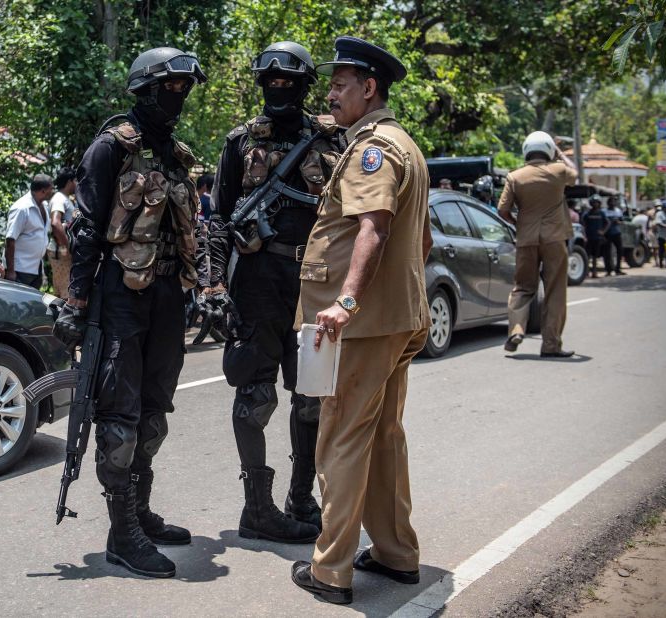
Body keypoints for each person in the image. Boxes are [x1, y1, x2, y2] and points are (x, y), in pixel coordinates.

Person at [51, 47, 206, 579]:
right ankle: (122, 533)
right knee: (119, 417)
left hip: (166, 294)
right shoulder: (108, 148)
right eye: (171, 88)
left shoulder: (174, 153)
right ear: (144, 89)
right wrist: (74, 302)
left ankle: (139, 510)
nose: (179, 97)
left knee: (154, 412)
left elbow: (190, 229)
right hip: (121, 296)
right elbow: (87, 229)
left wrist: (205, 289)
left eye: (185, 89)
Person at [287, 36, 431, 605]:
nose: (331, 94)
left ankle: (331, 570)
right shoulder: (407, 145)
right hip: (396, 319)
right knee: (384, 437)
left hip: (364, 324)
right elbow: (418, 237)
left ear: (369, 88)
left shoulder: (374, 148)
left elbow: (374, 226)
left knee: (341, 437)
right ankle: (397, 554)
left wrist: (346, 302)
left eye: (341, 84)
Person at [205, 41, 344, 545]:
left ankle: (301, 497)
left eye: (288, 82)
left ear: (306, 85)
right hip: (257, 283)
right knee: (255, 396)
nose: (278, 90)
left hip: (314, 283)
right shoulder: (240, 141)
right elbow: (216, 217)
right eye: (270, 82)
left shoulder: (334, 140)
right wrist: (214, 283)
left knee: (311, 396)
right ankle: (257, 508)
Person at [497, 132, 577, 357]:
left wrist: (517, 223)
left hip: (526, 239)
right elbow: (577, 174)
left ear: (525, 151)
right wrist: (560, 153)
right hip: (554, 239)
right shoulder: (559, 170)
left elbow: (502, 210)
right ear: (549, 150)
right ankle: (551, 345)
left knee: (522, 288)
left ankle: (516, 330)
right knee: (555, 292)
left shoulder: (515, 177)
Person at [4, 174, 54, 289]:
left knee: (31, 305)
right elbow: (10, 240)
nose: (53, 192)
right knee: (17, 304)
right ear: (43, 191)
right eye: (51, 189)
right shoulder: (22, 208)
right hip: (20, 269)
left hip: (35, 268)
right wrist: (11, 271)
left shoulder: (44, 206)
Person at [47, 166, 77, 298]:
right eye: (75, 180)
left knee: (64, 288)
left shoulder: (65, 198)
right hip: (61, 250)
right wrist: (67, 246)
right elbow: (55, 222)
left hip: (61, 249)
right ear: (70, 181)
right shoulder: (59, 198)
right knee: (65, 291)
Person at [581, 195, 607, 278]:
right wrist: (584, 235)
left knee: (595, 256)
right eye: (594, 202)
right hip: (589, 237)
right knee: (587, 256)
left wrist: (603, 231)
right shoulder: (587, 214)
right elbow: (583, 225)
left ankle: (594, 272)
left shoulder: (601, 213)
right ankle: (586, 272)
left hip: (597, 238)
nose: (595, 204)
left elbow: (607, 222)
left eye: (597, 203)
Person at [603, 194, 626, 276]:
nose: (612, 203)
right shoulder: (604, 211)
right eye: (611, 201)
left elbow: (622, 221)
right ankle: (608, 270)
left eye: (614, 201)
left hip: (617, 233)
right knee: (607, 252)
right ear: (608, 203)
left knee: (620, 250)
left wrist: (618, 222)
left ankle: (618, 269)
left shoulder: (618, 211)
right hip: (607, 234)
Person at [654, 200, 666, 268]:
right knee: (661, 250)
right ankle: (660, 263)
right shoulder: (659, 214)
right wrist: (665, 226)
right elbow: (658, 223)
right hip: (661, 235)